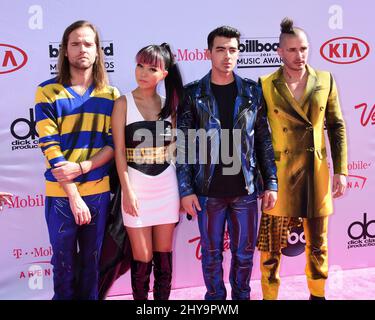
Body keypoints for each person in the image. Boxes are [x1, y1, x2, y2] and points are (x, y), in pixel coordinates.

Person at [176, 26, 278, 300]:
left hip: (244, 189)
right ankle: (215, 300)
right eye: (220, 49)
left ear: (238, 53)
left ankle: (241, 297)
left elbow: (263, 142)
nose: (227, 56)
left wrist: (271, 182)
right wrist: (185, 190)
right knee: (210, 256)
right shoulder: (193, 93)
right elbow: (183, 146)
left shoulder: (253, 92)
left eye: (232, 49)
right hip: (208, 192)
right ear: (208, 53)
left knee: (244, 255)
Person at [257, 18, 348, 300]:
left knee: (318, 244)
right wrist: (264, 178)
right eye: (293, 50)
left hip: (316, 173)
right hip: (280, 176)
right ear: (280, 52)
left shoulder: (325, 79)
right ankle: (269, 296)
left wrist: (341, 170)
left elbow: (337, 126)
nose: (300, 56)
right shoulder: (266, 85)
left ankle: (317, 295)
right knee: (271, 248)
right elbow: (259, 136)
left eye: (304, 49)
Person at [35, 20, 120, 300]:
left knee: (92, 267)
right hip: (61, 196)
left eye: (88, 43)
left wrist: (83, 167)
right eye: (75, 43)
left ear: (97, 51)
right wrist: (73, 194)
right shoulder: (47, 92)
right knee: (63, 267)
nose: (82, 49)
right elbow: (50, 147)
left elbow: (112, 145)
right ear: (65, 50)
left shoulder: (111, 95)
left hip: (97, 192)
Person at [111, 43, 183, 300]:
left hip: (167, 186)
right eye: (139, 65)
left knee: (164, 257)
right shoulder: (122, 103)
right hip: (136, 188)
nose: (142, 72)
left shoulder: (169, 106)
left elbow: (176, 152)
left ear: (163, 74)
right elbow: (119, 151)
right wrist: (127, 191)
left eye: (151, 68)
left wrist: (183, 193)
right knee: (142, 258)